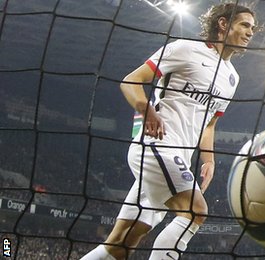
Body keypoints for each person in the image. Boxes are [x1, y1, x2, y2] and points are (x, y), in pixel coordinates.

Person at [81, 3, 256, 259]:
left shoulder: (232, 78)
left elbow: (209, 123)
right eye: (244, 25)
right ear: (223, 24)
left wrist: (208, 160)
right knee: (196, 212)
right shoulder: (185, 49)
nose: (250, 32)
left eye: (253, 27)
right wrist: (145, 107)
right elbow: (131, 81)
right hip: (156, 147)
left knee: (121, 244)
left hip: (179, 157)